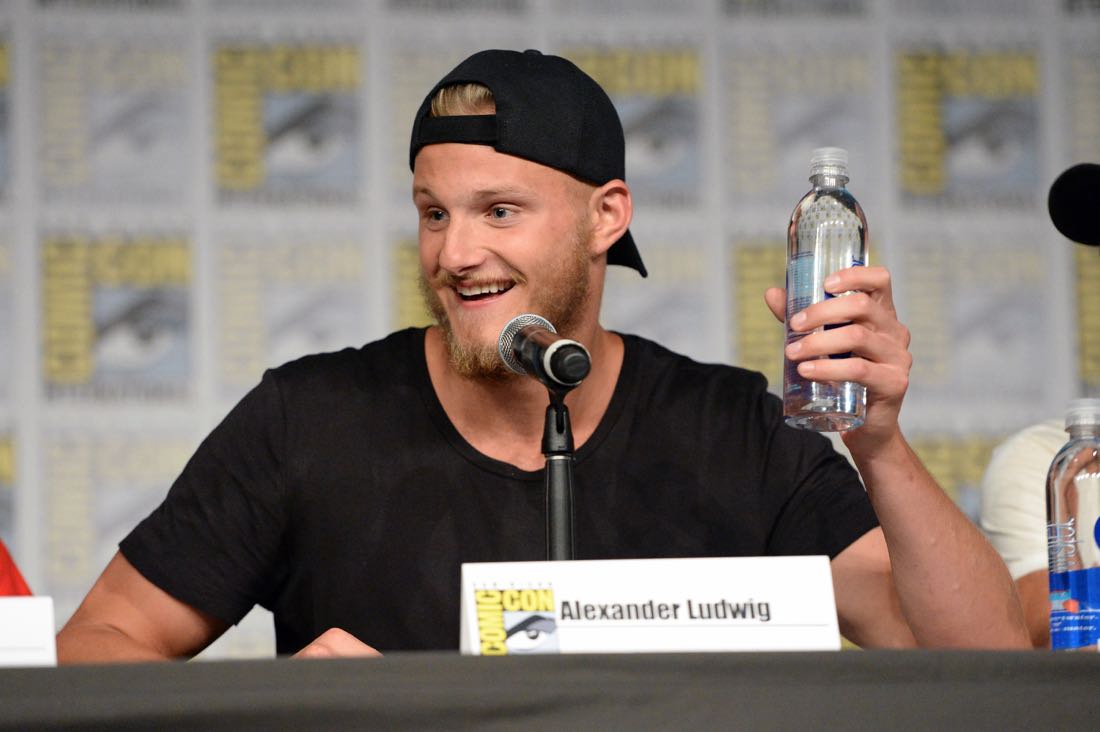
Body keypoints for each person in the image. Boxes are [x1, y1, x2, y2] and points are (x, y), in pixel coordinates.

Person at [55, 49, 1029, 662]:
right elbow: (100, 643)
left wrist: (883, 443)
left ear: (605, 217)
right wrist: (285, 716)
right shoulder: (306, 417)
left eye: (499, 212)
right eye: (432, 213)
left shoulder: (731, 427)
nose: (453, 253)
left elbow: (978, 659)